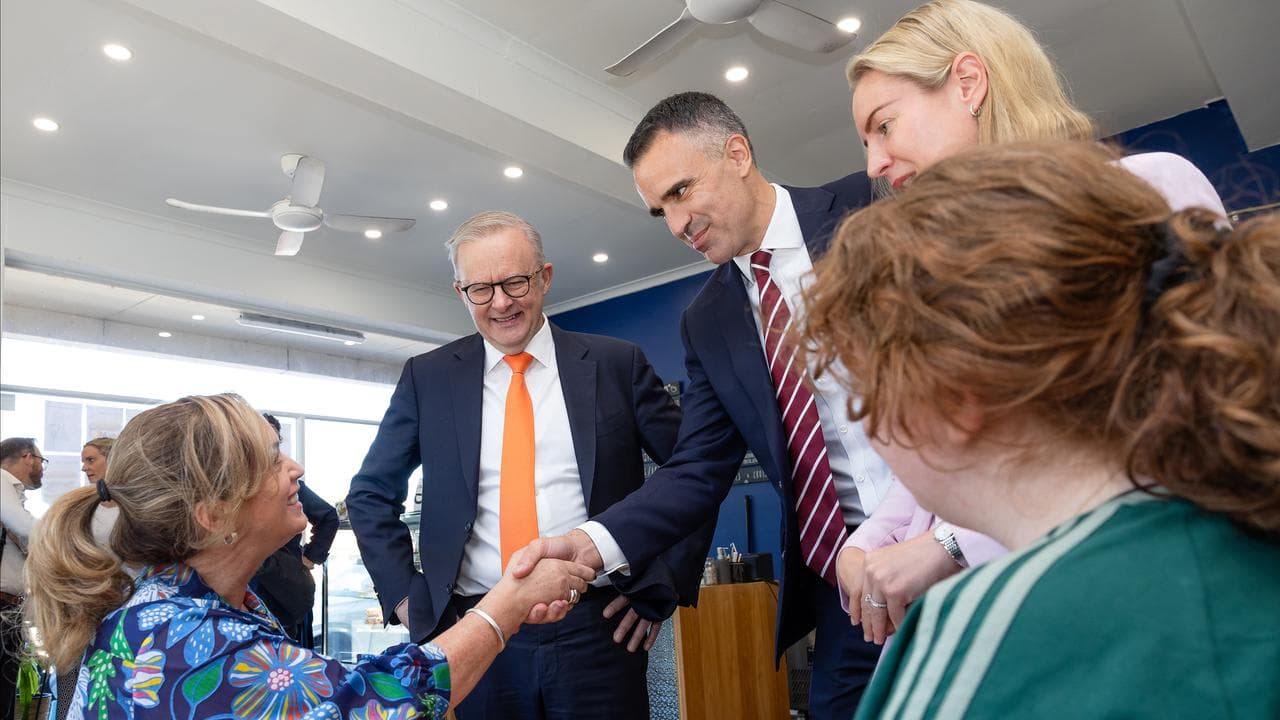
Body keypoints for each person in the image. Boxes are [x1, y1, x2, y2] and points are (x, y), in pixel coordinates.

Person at [797, 140, 1280, 718]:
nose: (866, 421)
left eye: (866, 389)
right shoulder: (1242, 538)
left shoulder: (970, 640)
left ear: (954, 402)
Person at [837, 0, 1229, 644]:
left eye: (884, 126)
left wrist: (951, 546)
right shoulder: (940, 271)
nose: (875, 164)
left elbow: (1179, 430)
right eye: (866, 143)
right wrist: (870, 540)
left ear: (968, 83)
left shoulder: (1144, 190)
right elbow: (947, 440)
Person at [514, 91, 886, 717]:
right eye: (660, 210)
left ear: (737, 154)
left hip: (961, 540)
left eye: (682, 192)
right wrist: (590, 544)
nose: (676, 224)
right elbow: (696, 469)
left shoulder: (871, 204)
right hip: (844, 585)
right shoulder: (707, 319)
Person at [21, 393, 593, 719]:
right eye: (273, 459)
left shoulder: (188, 606)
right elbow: (377, 703)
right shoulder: (188, 644)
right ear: (214, 513)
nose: (295, 468)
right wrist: (508, 603)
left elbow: (332, 687)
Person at [346, 211, 707, 720]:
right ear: (460, 292)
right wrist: (408, 600)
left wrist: (664, 582)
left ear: (545, 277)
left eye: (515, 282)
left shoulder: (616, 364)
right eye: (481, 289)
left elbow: (694, 471)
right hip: (475, 627)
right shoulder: (427, 378)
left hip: (598, 627)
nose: (501, 303)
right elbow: (369, 495)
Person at [254, 413, 338, 648]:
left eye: (275, 448)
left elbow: (329, 516)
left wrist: (310, 557)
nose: (295, 468)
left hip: (288, 587)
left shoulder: (292, 486)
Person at [1, 437, 45, 720]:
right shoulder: (1, 480)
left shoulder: (12, 492)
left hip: (9, 609)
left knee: (5, 696)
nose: (42, 468)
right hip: (2, 606)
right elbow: (22, 526)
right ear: (28, 457)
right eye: (42, 460)